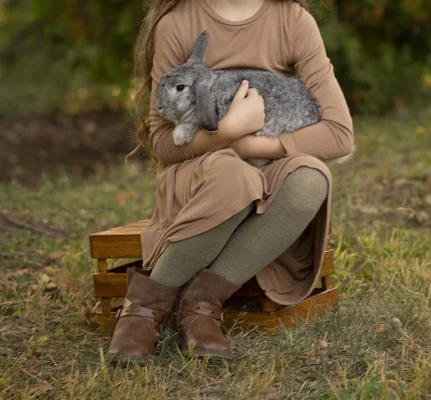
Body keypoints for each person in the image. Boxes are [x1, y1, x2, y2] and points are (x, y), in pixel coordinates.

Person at [108, 0, 353, 364]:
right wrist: (228, 131)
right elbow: (162, 142)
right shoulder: (177, 23)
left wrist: (254, 142)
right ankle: (143, 310)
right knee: (233, 176)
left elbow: (339, 135)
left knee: (310, 178)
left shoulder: (292, 21)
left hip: (266, 164)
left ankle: (200, 304)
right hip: (200, 171)